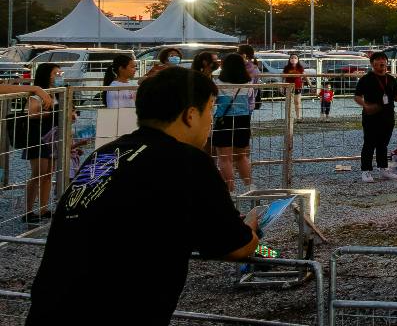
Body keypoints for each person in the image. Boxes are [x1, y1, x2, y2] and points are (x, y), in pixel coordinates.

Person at [24, 67, 260, 325]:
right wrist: (252, 230)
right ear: (191, 115)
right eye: (211, 110)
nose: (211, 120)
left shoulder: (105, 154)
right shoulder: (188, 161)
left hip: (49, 309)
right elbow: (233, 246)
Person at [16, 63, 61, 225]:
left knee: (48, 173)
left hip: (52, 136)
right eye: (57, 73)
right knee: (38, 174)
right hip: (38, 137)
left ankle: (43, 208)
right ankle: (28, 211)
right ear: (48, 74)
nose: (59, 76)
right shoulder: (38, 93)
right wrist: (49, 113)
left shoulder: (56, 92)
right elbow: (31, 113)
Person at [354, 52, 397, 183]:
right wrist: (365, 105)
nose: (382, 62)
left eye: (384, 60)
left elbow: (396, 96)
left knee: (383, 144)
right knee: (369, 144)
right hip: (371, 116)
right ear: (372, 64)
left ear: (387, 63)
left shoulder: (391, 79)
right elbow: (357, 96)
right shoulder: (366, 79)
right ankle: (366, 171)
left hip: (388, 116)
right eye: (378, 60)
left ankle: (383, 169)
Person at [212, 53, 255, 192]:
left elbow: (214, 101)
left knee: (225, 158)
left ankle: (230, 190)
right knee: (241, 157)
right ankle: (250, 187)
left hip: (224, 120)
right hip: (243, 120)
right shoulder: (248, 83)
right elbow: (250, 100)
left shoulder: (218, 83)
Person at [282, 54, 306, 119]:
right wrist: (282, 86)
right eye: (292, 58)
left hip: (298, 86)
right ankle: (289, 116)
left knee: (297, 102)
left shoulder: (300, 68)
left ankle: (298, 116)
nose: (293, 59)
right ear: (289, 60)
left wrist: (311, 85)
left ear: (298, 60)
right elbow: (283, 77)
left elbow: (305, 76)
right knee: (289, 102)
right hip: (288, 86)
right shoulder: (286, 68)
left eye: (295, 58)